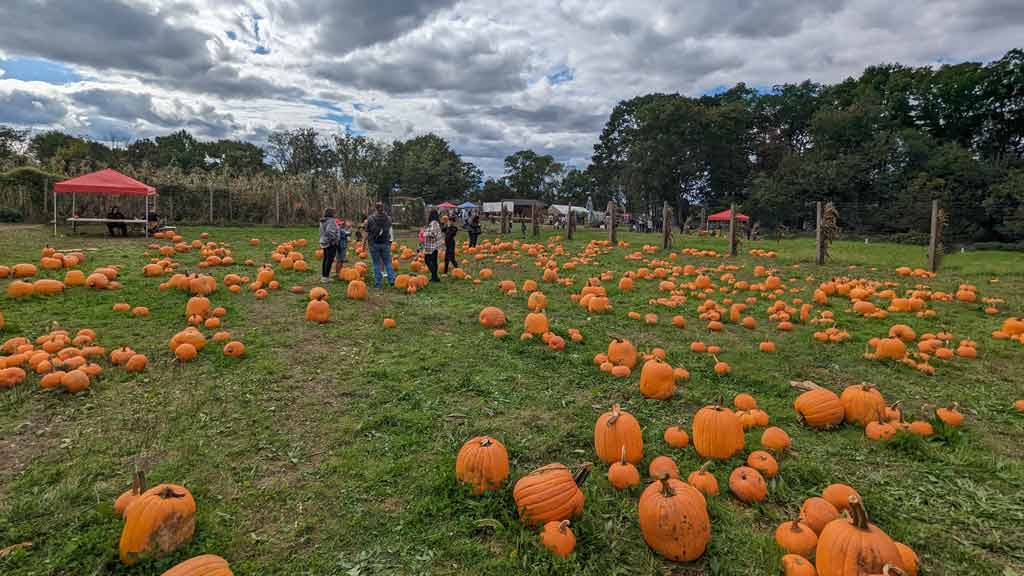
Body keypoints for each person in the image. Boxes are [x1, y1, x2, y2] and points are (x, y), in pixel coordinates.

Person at [365, 202, 396, 288]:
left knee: (376, 263)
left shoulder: (370, 219)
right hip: (385, 243)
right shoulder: (389, 219)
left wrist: (363, 244)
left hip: (374, 243)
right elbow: (389, 230)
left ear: (375, 208)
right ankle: (392, 280)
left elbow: (367, 233)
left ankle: (378, 283)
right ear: (383, 208)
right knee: (387, 262)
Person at [319, 208, 340, 283]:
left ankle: (324, 276)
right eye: (334, 213)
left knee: (325, 259)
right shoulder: (331, 221)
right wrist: (334, 239)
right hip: (330, 242)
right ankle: (326, 277)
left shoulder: (323, 220)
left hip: (324, 241)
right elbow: (329, 231)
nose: (336, 214)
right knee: (329, 260)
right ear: (331, 214)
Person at [423, 209, 443, 282]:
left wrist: (424, 233)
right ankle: (435, 277)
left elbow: (432, 233)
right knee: (434, 261)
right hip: (434, 245)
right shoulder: (435, 223)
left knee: (427, 260)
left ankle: (434, 275)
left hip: (432, 246)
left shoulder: (434, 223)